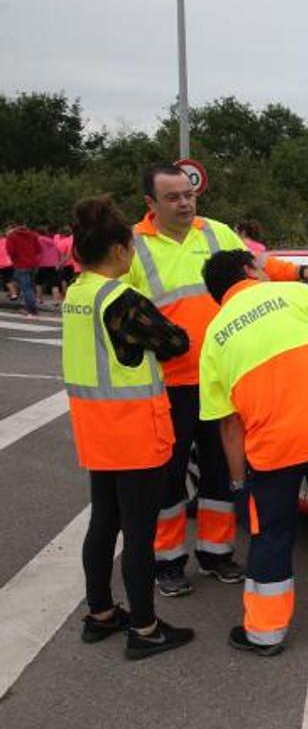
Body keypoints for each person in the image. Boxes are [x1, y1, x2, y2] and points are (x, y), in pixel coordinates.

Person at [128, 164, 308, 597]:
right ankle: (167, 562)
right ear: (151, 204)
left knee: (220, 469)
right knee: (169, 476)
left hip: (223, 376)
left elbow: (257, 266)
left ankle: (216, 552)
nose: (185, 203)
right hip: (170, 382)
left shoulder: (215, 232)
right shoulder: (134, 247)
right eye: (173, 197)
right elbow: (118, 309)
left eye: (189, 195)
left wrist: (300, 275)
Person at [198, 250, 308, 655]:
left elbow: (228, 425)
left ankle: (265, 632)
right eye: (260, 267)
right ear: (249, 270)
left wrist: (238, 480)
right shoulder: (297, 295)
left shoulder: (215, 335)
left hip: (270, 452)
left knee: (271, 536)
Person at [63, 195, 195, 659]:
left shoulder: (77, 294)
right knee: (140, 534)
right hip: (135, 433)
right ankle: (145, 627)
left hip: (95, 430)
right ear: (119, 250)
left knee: (104, 523)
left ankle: (100, 613)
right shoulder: (121, 300)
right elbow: (175, 341)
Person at [5, 220, 42, 317]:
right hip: (33, 264)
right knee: (30, 286)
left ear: (15, 225)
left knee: (26, 288)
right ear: (25, 225)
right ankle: (32, 307)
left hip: (20, 264)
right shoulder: (33, 235)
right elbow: (38, 250)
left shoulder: (12, 236)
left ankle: (31, 310)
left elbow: (10, 251)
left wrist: (15, 259)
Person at [36, 226, 63, 302]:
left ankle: (39, 299)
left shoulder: (38, 240)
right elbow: (58, 252)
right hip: (53, 264)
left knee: (38, 282)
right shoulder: (52, 241)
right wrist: (59, 262)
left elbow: (37, 252)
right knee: (54, 283)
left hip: (43, 264)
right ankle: (56, 301)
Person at [54, 225, 79, 289]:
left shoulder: (62, 242)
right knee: (73, 280)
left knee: (63, 279)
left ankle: (65, 294)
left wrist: (60, 264)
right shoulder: (74, 239)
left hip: (67, 264)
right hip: (76, 264)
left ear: (63, 234)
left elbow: (65, 255)